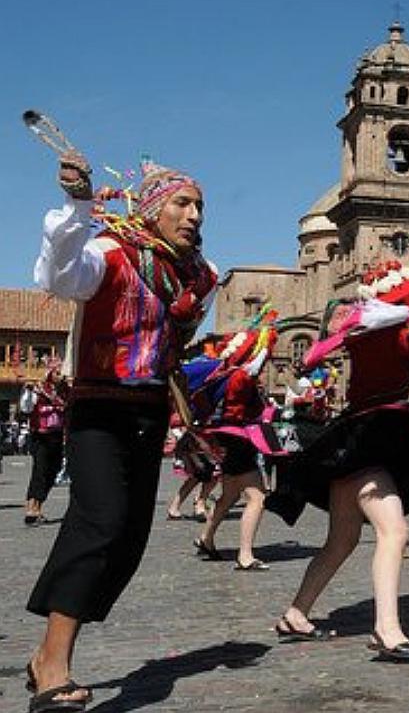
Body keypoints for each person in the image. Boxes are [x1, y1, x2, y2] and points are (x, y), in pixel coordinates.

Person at [26, 153, 218, 711]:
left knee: (128, 541)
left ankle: (45, 654)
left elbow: (177, 341)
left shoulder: (197, 275)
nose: (194, 215)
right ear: (154, 209)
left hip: (149, 408)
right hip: (97, 408)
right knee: (99, 522)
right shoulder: (109, 253)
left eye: (200, 206)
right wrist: (77, 206)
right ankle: (54, 667)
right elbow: (59, 276)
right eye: (182, 203)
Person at [266, 259, 409, 661]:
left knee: (341, 541)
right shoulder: (400, 333)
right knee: (394, 531)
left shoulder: (361, 333)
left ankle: (295, 613)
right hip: (374, 440)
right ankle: (386, 630)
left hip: (349, 439)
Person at [188, 316, 283, 570]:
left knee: (229, 494)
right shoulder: (241, 376)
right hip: (239, 438)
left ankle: (206, 538)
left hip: (226, 437)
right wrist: (265, 340)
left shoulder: (227, 373)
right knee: (257, 498)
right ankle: (245, 555)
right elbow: (255, 366)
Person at [24, 362, 69, 526]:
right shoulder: (38, 389)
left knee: (53, 470)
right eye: (57, 373)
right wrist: (29, 393)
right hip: (40, 435)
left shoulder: (64, 392)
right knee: (40, 470)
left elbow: (67, 410)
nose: (60, 376)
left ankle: (38, 505)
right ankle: (31, 507)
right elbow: (26, 408)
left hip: (57, 436)